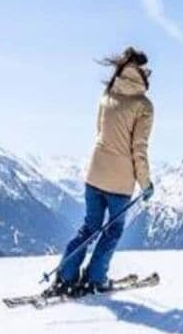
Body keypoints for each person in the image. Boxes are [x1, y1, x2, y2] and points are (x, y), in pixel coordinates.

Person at [50, 47, 155, 297]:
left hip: (94, 174)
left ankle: (65, 276)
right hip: (119, 183)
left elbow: (100, 131)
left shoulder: (107, 94)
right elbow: (138, 148)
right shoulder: (144, 106)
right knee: (113, 231)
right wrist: (145, 182)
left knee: (89, 228)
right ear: (140, 70)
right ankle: (95, 279)